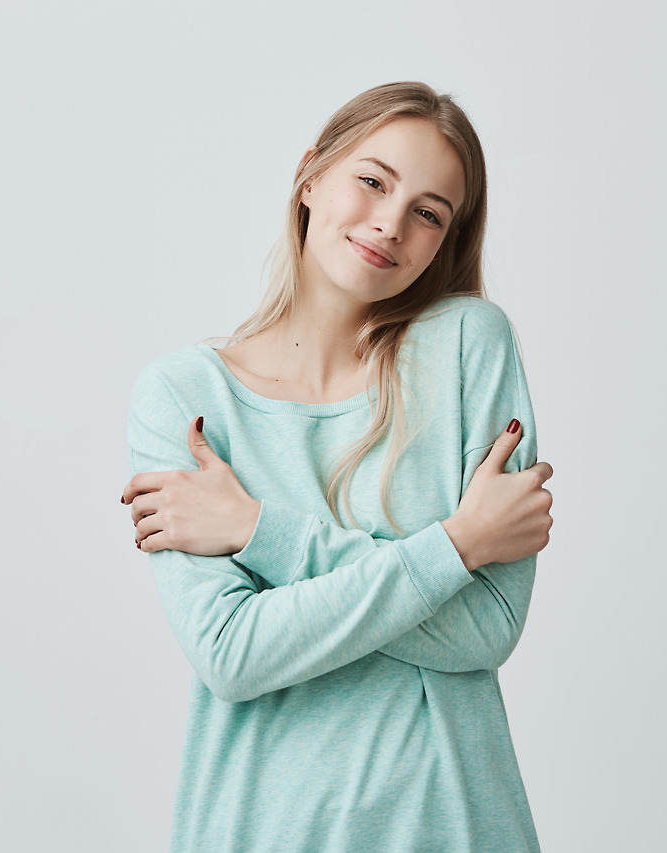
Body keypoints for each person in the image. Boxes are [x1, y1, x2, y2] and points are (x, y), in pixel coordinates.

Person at [120, 81, 553, 853]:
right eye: (373, 180)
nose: (390, 222)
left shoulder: (467, 347)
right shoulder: (185, 397)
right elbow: (235, 653)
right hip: (258, 830)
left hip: (453, 827)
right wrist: (453, 546)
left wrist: (257, 530)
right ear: (310, 174)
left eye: (428, 212)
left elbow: (487, 628)